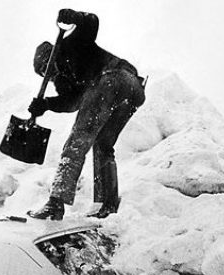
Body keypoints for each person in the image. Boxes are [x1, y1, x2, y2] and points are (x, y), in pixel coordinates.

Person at [27, 8, 146, 220]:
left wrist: (75, 17)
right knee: (103, 144)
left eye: (47, 70)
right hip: (132, 90)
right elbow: (73, 101)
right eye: (44, 75)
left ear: (50, 58)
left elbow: (91, 22)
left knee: (77, 139)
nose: (50, 77)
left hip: (113, 77)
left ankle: (56, 202)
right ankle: (107, 205)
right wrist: (45, 104)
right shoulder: (64, 80)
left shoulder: (70, 46)